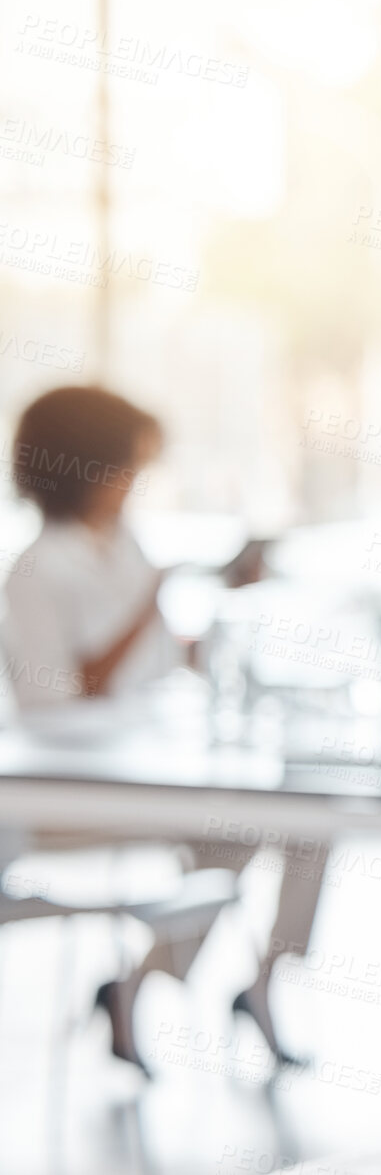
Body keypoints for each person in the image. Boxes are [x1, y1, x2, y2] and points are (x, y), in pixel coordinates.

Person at [0, 385, 325, 1074]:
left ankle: (253, 982)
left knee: (307, 822)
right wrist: (151, 598)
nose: (132, 485)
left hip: (157, 772)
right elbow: (59, 697)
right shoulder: (35, 567)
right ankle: (137, 988)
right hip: (70, 793)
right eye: (124, 468)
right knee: (240, 830)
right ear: (85, 467)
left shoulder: (125, 546)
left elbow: (160, 661)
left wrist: (223, 604)